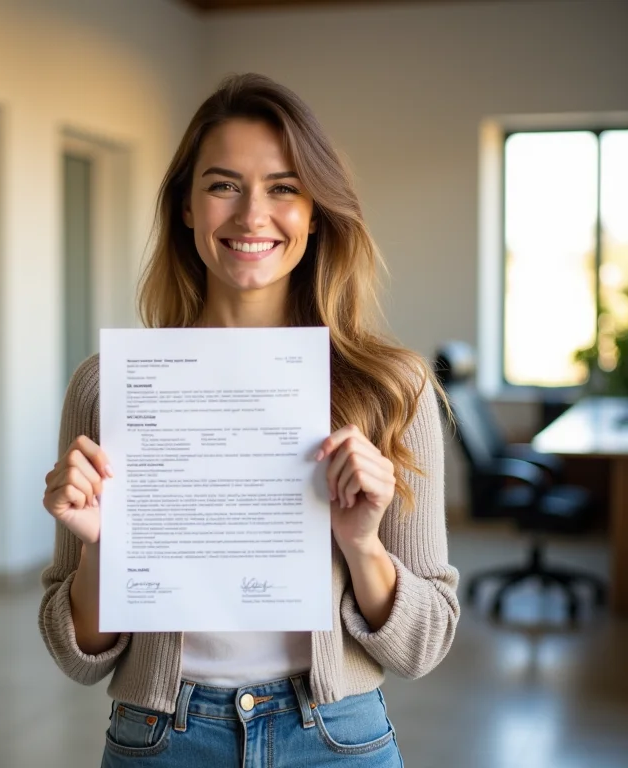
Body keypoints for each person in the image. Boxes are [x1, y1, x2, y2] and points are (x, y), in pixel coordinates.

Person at [39, 73, 459, 768]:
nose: (251, 214)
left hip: (334, 740)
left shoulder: (393, 388)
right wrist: (102, 550)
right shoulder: (110, 386)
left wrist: (361, 545)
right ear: (186, 206)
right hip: (161, 739)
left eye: (283, 188)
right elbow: (76, 656)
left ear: (315, 212)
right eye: (223, 185)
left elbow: (424, 645)